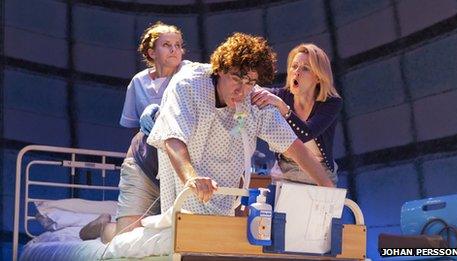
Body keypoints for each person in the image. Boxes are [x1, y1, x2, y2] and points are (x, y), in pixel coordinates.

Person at [147, 33, 334, 216]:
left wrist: (327, 186)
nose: (241, 91)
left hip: (223, 205)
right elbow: (172, 138)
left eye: (250, 82)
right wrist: (192, 178)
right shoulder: (188, 85)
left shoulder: (254, 100)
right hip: (184, 198)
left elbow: (293, 146)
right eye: (236, 79)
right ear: (220, 69)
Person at [79, 21, 187, 243]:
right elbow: (134, 126)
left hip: (178, 167)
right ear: (151, 52)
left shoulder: (190, 75)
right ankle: (101, 225)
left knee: (180, 233)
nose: (174, 50)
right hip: (143, 162)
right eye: (167, 45)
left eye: (178, 44)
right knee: (123, 238)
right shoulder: (138, 82)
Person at [251, 43, 342, 185]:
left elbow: (307, 134)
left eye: (305, 68)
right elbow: (249, 90)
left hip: (321, 173)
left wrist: (284, 109)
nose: (297, 72)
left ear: (318, 77)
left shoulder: (331, 103)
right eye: (294, 66)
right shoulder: (280, 95)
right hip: (285, 172)